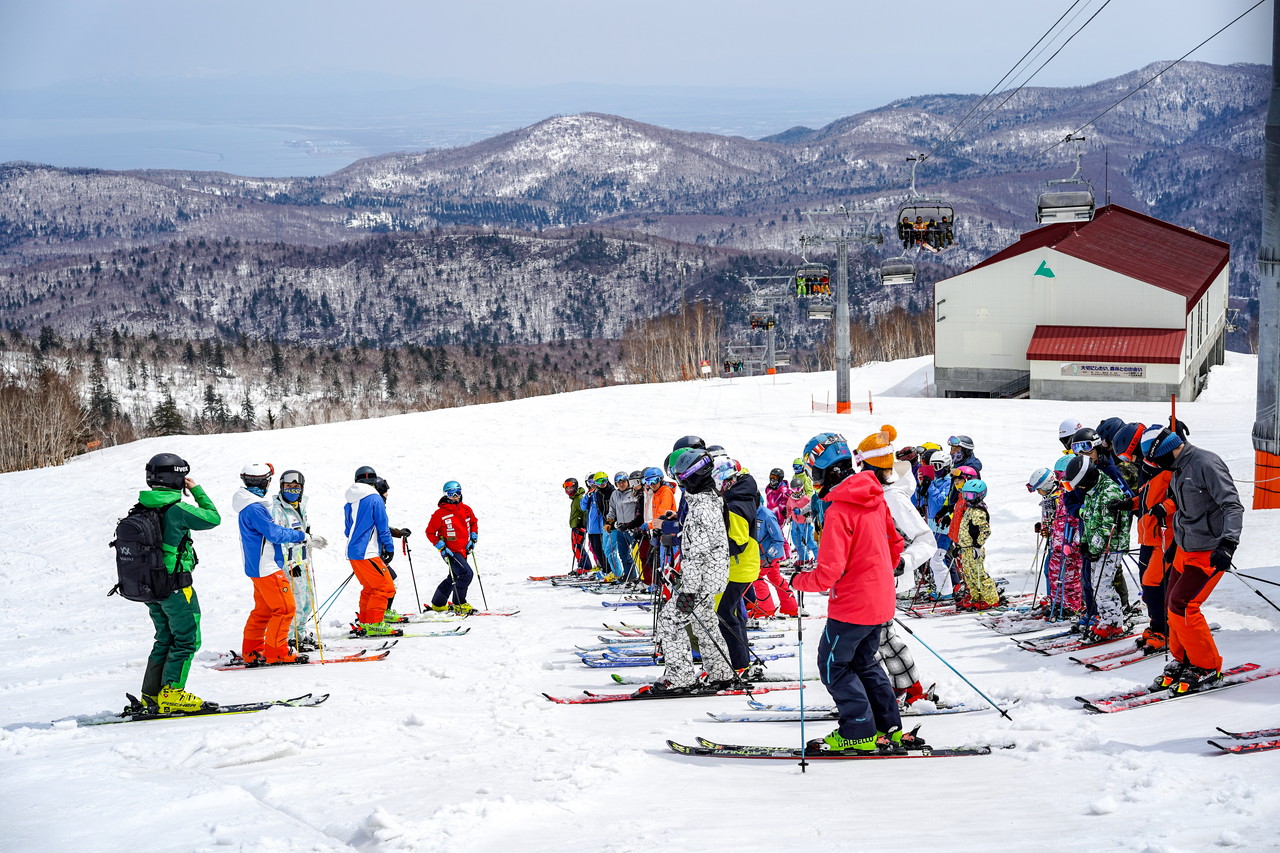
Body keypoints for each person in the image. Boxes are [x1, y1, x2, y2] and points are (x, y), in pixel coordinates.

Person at [791, 433, 907, 754]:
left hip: (853, 606)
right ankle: (888, 727)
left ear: (829, 472)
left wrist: (799, 581)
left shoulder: (840, 510)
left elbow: (829, 572)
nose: (814, 482)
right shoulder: (874, 497)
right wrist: (879, 575)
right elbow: (894, 544)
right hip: (880, 601)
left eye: (815, 474)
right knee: (864, 662)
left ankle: (857, 730)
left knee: (833, 665)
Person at [1143, 425, 1243, 694]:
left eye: (1153, 459)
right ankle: (1184, 659)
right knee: (1169, 603)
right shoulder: (1176, 469)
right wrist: (1174, 540)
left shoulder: (1206, 463)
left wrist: (1228, 543)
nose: (1154, 465)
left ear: (1165, 451)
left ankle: (1207, 665)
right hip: (1184, 549)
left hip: (1209, 551)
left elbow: (1231, 504)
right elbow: (1183, 504)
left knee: (1184, 605)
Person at [134, 453, 221, 713]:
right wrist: (197, 491)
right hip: (175, 586)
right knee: (186, 639)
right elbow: (212, 518)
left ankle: (151, 696)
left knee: (164, 639)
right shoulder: (177, 508)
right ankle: (172, 693)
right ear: (177, 477)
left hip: (150, 586)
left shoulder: (143, 506)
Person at [858, 427, 939, 707]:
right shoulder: (874, 493)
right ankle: (900, 688)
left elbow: (926, 539)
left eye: (863, 466)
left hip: (887, 578)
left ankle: (910, 688)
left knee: (879, 638)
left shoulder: (893, 498)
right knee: (879, 638)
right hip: (870, 577)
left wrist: (904, 562)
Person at [649, 447, 734, 693]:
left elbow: (698, 554)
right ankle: (720, 673)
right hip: (712, 577)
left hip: (700, 581)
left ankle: (680, 677)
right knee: (704, 621)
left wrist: (687, 589)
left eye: (679, 477)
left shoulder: (701, 508)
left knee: (669, 620)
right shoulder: (710, 498)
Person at [234, 463, 308, 664]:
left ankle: (252, 650)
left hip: (257, 566)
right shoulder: (255, 508)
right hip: (267, 567)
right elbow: (274, 533)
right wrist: (302, 535)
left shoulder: (249, 505)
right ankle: (278, 651)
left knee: (264, 611)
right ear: (264, 481)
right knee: (285, 609)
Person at [1112, 421, 1172, 653]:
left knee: (1153, 584)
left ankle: (1165, 630)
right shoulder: (1147, 470)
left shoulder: (1166, 468)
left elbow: (1180, 497)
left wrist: (1165, 507)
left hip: (1164, 537)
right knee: (1147, 585)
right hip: (1147, 535)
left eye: (1129, 457)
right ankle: (1156, 624)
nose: (1130, 463)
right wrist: (1130, 504)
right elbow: (1146, 498)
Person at [1064, 454, 1130, 642]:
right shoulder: (1093, 491)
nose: (1080, 489)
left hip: (1111, 547)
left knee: (1102, 585)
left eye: (1080, 485)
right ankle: (1110, 618)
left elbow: (1106, 528)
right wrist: (1085, 542)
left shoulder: (1109, 492)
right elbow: (1089, 519)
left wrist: (1093, 549)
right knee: (1097, 584)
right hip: (1098, 547)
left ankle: (1113, 623)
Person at [713, 457, 762, 675]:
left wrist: (712, 546)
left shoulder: (734, 504)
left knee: (724, 613)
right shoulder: (742, 494)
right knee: (730, 611)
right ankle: (741, 661)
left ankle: (739, 663)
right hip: (745, 565)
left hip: (739, 567)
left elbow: (738, 542)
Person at [272, 470, 327, 653]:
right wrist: (289, 563)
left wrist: (310, 540)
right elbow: (279, 537)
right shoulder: (277, 509)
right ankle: (287, 638)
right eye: (289, 486)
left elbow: (301, 532)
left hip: (303, 562)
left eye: (296, 487)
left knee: (306, 601)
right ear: (281, 487)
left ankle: (299, 634)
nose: (292, 490)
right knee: (293, 603)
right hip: (290, 566)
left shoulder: (301, 506)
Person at [344, 465, 397, 634]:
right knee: (385, 587)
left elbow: (348, 529)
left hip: (353, 552)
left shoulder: (350, 501)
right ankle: (374, 623)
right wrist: (389, 547)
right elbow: (382, 526)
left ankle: (366, 622)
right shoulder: (375, 499)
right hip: (367, 551)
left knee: (370, 588)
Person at [425, 480, 479, 613]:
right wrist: (441, 546)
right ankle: (459, 603)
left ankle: (438, 603)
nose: (455, 496)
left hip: (464, 549)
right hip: (451, 551)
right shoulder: (440, 513)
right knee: (466, 574)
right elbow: (430, 532)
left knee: (454, 577)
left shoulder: (466, 509)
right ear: (446, 495)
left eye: (457, 493)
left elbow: (473, 522)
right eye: (451, 494)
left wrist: (473, 538)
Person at [749, 500, 799, 618]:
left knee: (756, 578)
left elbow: (779, 539)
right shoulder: (752, 512)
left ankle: (765, 609)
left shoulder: (767, 515)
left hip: (768, 555)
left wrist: (769, 556)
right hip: (762, 554)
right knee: (775, 578)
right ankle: (790, 607)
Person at [954, 479, 999, 609]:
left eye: (970, 496)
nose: (968, 499)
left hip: (974, 549)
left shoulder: (979, 511)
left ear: (979, 495)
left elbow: (985, 531)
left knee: (979, 575)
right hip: (966, 548)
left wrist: (978, 546)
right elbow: (965, 530)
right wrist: (959, 546)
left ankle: (991, 599)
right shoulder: (970, 509)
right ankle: (976, 597)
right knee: (969, 575)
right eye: (965, 495)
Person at [606, 471, 641, 583]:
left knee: (637, 554)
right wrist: (609, 521)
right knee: (623, 554)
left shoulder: (634, 492)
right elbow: (612, 509)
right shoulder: (615, 494)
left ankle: (643, 578)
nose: (621, 484)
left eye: (624, 481)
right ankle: (630, 575)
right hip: (621, 528)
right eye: (618, 482)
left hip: (633, 528)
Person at [786, 477, 817, 565]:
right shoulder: (791, 499)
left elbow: (812, 508)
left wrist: (810, 517)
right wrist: (788, 516)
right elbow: (788, 508)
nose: (796, 491)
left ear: (802, 488)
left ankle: (818, 558)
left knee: (809, 541)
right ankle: (804, 558)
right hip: (795, 523)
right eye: (794, 489)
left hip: (804, 523)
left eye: (798, 489)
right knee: (797, 542)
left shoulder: (806, 499)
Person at [764, 467, 793, 560]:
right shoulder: (768, 489)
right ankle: (781, 555)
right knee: (774, 535)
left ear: (780, 479)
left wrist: (789, 511)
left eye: (775, 478)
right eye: (771, 477)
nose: (772, 480)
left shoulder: (785, 491)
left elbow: (794, 500)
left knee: (778, 536)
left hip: (780, 516)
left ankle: (786, 556)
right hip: (769, 516)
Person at [564, 478, 591, 574]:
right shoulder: (575, 499)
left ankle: (585, 567)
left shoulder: (578, 498)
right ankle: (581, 565)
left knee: (578, 547)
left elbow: (585, 511)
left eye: (570, 488)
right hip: (575, 526)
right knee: (575, 547)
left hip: (579, 527)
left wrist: (582, 524)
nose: (568, 490)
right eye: (566, 488)